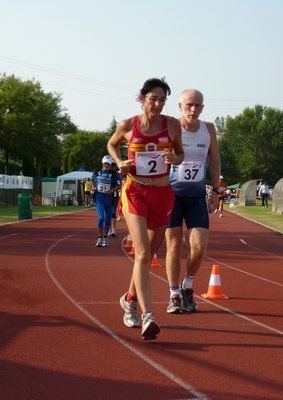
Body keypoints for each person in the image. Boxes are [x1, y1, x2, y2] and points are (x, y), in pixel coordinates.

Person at [107, 77, 184, 340]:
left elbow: (180, 153)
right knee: (142, 254)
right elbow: (111, 144)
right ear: (142, 98)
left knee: (149, 252)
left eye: (163, 99)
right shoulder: (128, 125)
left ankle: (129, 298)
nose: (159, 104)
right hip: (135, 190)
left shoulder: (172, 125)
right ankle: (147, 315)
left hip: (162, 193)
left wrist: (176, 158)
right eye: (154, 98)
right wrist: (120, 161)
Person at [165, 89, 220, 314]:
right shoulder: (170, 127)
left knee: (199, 246)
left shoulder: (208, 129)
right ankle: (173, 295)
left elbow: (214, 160)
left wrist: (216, 191)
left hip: (197, 196)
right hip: (172, 196)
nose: (193, 110)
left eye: (197, 106)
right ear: (180, 106)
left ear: (203, 108)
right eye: (189, 105)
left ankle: (187, 287)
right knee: (174, 246)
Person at [91, 155, 121, 247]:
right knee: (101, 218)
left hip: (110, 200)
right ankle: (99, 237)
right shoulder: (96, 172)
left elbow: (119, 185)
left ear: (110, 164)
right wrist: (93, 187)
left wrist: (111, 190)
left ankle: (105, 238)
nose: (106, 165)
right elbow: (92, 179)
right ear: (102, 162)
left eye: (108, 163)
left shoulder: (114, 174)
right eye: (105, 163)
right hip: (99, 198)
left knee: (107, 219)